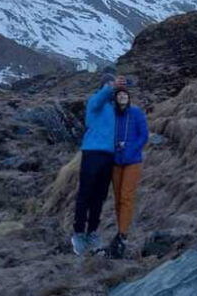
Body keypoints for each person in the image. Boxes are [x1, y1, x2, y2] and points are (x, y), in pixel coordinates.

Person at [72, 73, 126, 256]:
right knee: (85, 194)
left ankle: (92, 232)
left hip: (109, 156)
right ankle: (78, 233)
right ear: (104, 86)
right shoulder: (95, 102)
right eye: (109, 85)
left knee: (100, 196)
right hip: (92, 152)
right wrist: (110, 88)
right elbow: (100, 98)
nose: (113, 88)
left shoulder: (114, 108)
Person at [107, 88, 149, 259]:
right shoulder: (113, 115)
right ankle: (120, 227)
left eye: (125, 95)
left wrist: (130, 148)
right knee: (117, 197)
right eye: (119, 95)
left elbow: (143, 135)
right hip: (115, 161)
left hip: (132, 161)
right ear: (116, 99)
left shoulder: (136, 113)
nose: (122, 97)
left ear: (128, 98)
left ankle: (123, 233)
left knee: (126, 195)